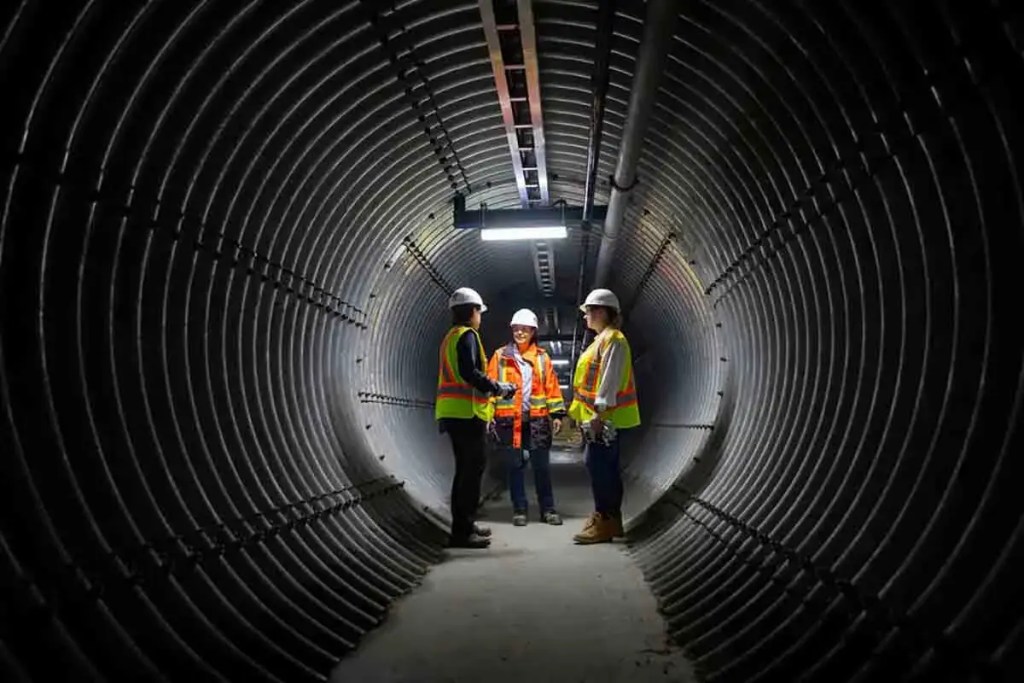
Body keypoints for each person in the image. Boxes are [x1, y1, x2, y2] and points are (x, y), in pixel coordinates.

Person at [435, 287, 516, 548]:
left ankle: (466, 524)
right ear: (473, 311)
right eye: (479, 312)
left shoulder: (451, 336)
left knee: (465, 471)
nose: (480, 317)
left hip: (454, 413)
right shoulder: (468, 336)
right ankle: (462, 532)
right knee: (470, 473)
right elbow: (469, 372)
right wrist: (497, 387)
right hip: (467, 414)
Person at [568, 289, 641, 544]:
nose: (586, 316)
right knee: (600, 466)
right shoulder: (601, 339)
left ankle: (606, 521)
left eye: (588, 311)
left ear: (600, 311)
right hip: (598, 417)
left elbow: (608, 382)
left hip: (606, 419)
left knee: (601, 468)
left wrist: (600, 415)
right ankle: (607, 517)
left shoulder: (614, 341)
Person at [486, 309, 567, 526]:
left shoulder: (542, 358)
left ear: (533, 331)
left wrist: (557, 414)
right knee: (515, 466)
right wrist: (488, 414)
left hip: (537, 420)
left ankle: (547, 510)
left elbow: (552, 387)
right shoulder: (500, 356)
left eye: (524, 329)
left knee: (541, 466)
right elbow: (490, 387)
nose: (520, 332)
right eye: (516, 328)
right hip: (509, 420)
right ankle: (519, 509)